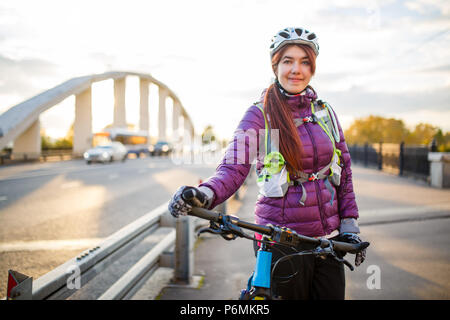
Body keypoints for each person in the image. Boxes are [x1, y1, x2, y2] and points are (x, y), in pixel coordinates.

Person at [169, 27, 366, 300]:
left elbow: (344, 171)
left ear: (313, 68)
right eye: (288, 61)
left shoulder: (324, 112)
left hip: (327, 241)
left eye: (305, 61)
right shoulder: (260, 115)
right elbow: (233, 168)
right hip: (280, 239)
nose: (296, 69)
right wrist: (204, 195)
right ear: (275, 65)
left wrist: (350, 227)